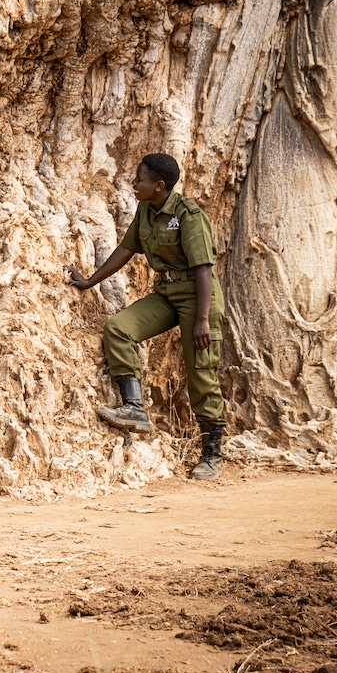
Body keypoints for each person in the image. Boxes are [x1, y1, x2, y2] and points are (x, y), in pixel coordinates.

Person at [65, 154, 226, 480]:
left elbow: (204, 270)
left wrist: (203, 320)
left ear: (159, 185)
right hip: (166, 294)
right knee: (119, 328)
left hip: (198, 298)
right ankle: (135, 408)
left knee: (200, 373)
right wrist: (89, 281)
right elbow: (126, 249)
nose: (134, 184)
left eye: (140, 179)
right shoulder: (146, 210)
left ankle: (212, 453)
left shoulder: (188, 216)